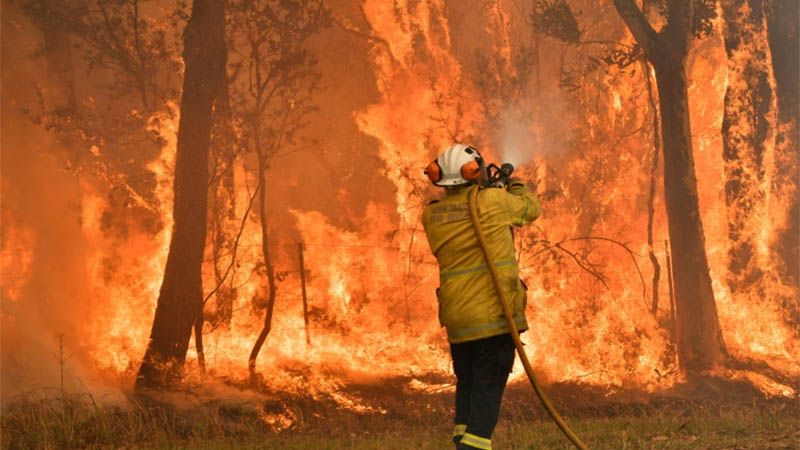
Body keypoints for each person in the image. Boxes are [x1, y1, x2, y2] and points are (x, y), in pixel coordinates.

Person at [421, 143, 541, 450]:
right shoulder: (492, 201)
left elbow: (465, 213)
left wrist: (488, 190)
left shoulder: (431, 215)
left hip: (459, 322)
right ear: (473, 173)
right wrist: (514, 184)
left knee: (469, 385)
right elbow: (530, 209)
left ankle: (461, 441)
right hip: (493, 318)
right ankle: (473, 446)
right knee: (487, 390)